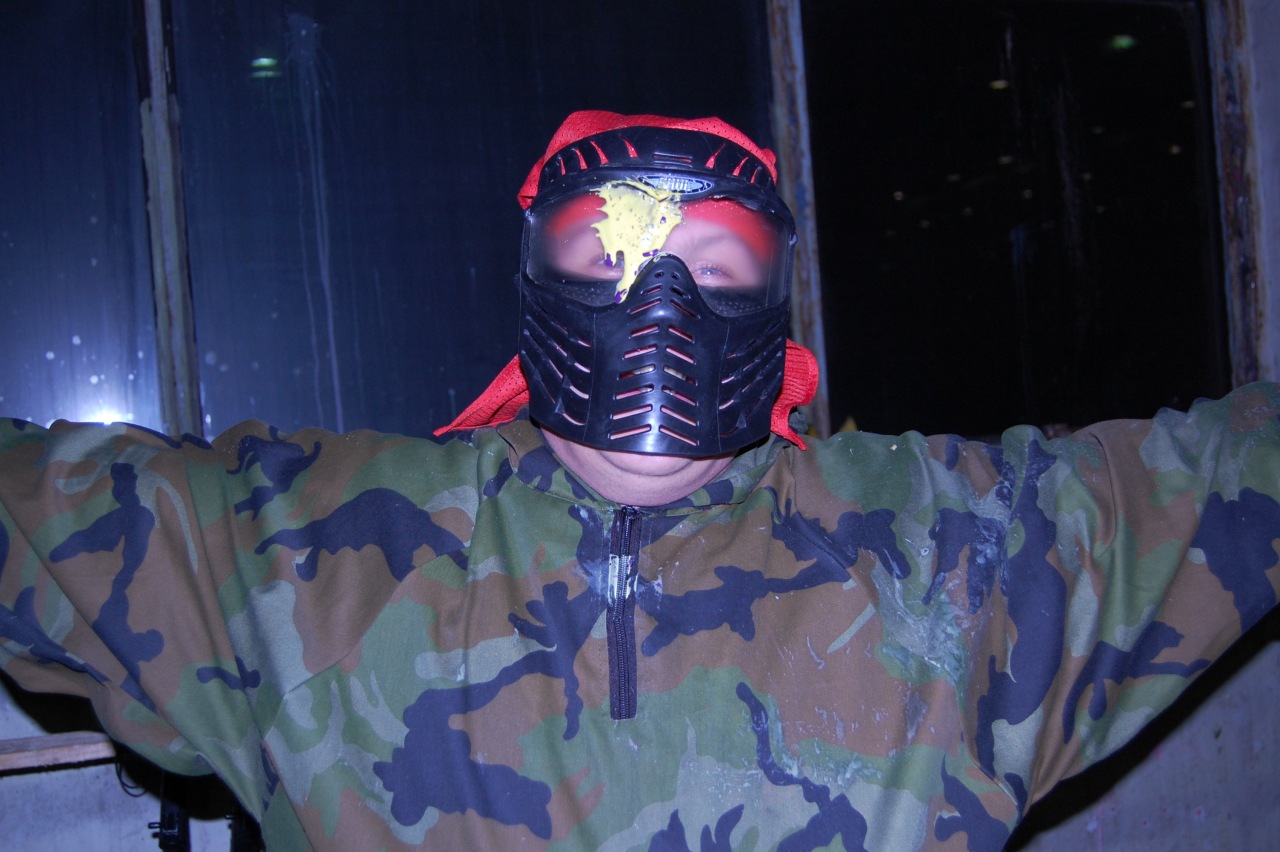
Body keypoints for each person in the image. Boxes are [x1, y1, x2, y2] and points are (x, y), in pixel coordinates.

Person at [1, 110, 1277, 851]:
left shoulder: (955, 554)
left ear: (771, 303)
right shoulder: (300, 551)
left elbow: (1231, 474)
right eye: (606, 254)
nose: (659, 307)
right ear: (536, 284)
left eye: (713, 269)